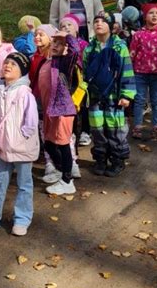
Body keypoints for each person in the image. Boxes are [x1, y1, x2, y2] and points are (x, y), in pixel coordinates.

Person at [0, 52, 39, 236]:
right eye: (6, 62)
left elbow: (31, 122)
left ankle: (22, 218)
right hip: (3, 146)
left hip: (22, 147)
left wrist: (20, 136)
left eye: (13, 64)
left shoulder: (24, 93)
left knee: (24, 183)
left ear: (22, 71)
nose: (8, 66)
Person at [83, 11, 136, 177]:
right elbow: (85, 73)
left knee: (115, 129)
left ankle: (117, 160)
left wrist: (126, 95)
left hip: (114, 97)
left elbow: (126, 71)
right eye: (96, 21)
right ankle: (100, 159)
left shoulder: (120, 47)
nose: (99, 24)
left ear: (112, 27)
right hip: (95, 97)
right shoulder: (89, 48)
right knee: (97, 129)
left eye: (103, 21)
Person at [38, 32, 80, 196]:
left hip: (62, 110)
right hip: (49, 111)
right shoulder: (46, 63)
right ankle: (60, 170)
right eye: (54, 42)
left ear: (65, 48)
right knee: (48, 144)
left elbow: (75, 51)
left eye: (60, 44)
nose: (55, 45)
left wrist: (68, 36)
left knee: (62, 145)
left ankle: (67, 181)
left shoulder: (64, 63)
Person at [129, 3, 157, 140]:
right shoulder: (138, 35)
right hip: (139, 73)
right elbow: (132, 53)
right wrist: (128, 70)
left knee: (156, 101)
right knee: (139, 100)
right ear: (144, 16)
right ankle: (137, 126)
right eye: (151, 13)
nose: (154, 15)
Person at [59, 13, 91, 147]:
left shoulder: (83, 44)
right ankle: (69, 132)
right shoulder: (59, 44)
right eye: (63, 26)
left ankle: (85, 131)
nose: (66, 27)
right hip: (65, 80)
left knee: (82, 106)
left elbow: (87, 61)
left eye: (69, 25)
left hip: (80, 79)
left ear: (77, 29)